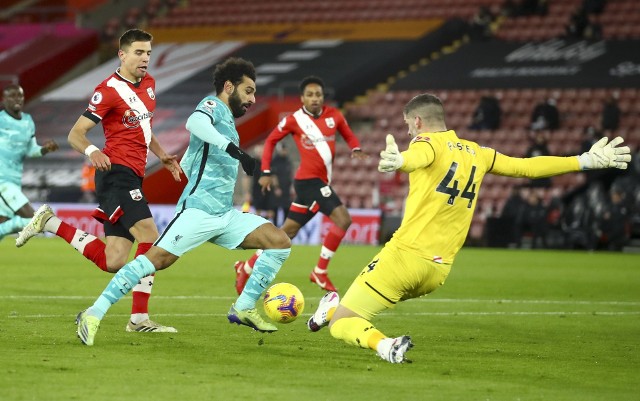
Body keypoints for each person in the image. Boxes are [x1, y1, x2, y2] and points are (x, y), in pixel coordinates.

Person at [305, 93, 631, 363]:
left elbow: (417, 155)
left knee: (342, 325)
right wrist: (583, 161)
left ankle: (385, 345)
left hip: (404, 258)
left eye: (408, 125)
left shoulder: (426, 143)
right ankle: (332, 305)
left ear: (417, 122)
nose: (407, 132)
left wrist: (400, 161)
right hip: (438, 271)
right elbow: (525, 167)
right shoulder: (477, 152)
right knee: (364, 302)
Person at [75, 57, 292, 346]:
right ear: (229, 86)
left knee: (279, 241)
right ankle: (93, 313)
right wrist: (235, 151)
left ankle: (244, 306)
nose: (252, 98)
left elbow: (198, 154)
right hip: (198, 211)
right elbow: (195, 122)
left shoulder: (228, 121)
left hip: (225, 215)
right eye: (248, 91)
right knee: (155, 261)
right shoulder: (212, 106)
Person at [16, 29, 182, 333]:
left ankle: (50, 223)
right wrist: (92, 151)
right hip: (115, 174)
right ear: (122, 54)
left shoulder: (149, 84)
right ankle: (139, 319)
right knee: (150, 235)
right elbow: (75, 134)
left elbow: (145, 129)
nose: (146, 58)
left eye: (148, 52)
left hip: (133, 174)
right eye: (139, 53)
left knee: (114, 260)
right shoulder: (107, 90)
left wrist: (163, 154)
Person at [233, 76, 368, 294]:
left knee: (284, 235)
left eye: (318, 95)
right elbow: (270, 141)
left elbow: (347, 134)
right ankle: (320, 272)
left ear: (323, 97)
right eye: (310, 95)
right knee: (344, 219)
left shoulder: (334, 116)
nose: (315, 99)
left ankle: (245, 267)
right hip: (308, 182)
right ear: (302, 98)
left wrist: (355, 148)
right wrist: (266, 171)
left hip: (319, 182)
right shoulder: (294, 120)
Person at [0, 84, 59, 242]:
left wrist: (45, 149)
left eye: (20, 95)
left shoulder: (27, 121)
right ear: (4, 100)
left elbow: (31, 149)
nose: (17, 99)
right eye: (12, 96)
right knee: (34, 218)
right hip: (2, 181)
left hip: (14, 180)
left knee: (2, 224)